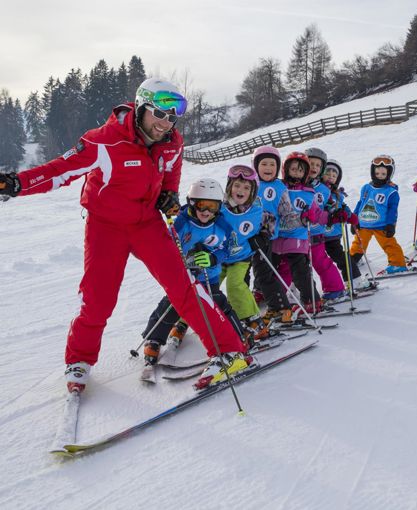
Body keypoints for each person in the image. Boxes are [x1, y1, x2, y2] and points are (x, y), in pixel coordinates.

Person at [0, 78, 249, 393]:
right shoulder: (104, 141)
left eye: (172, 117)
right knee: (98, 297)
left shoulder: (172, 141)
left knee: (183, 286)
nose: (165, 123)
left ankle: (228, 350)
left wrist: (169, 193)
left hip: (147, 223)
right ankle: (79, 360)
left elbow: (172, 167)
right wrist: (18, 183)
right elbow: (59, 171)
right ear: (143, 105)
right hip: (106, 226)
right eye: (160, 114)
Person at [141, 178, 247, 365]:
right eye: (201, 205)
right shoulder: (182, 223)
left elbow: (229, 248)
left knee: (217, 303)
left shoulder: (222, 225)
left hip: (210, 275)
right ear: (191, 203)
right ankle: (153, 338)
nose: (206, 211)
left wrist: (213, 258)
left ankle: (239, 336)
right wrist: (178, 257)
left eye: (212, 207)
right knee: (172, 304)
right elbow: (167, 246)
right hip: (184, 277)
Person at [218, 164, 269, 339]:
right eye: (237, 185)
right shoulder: (220, 206)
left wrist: (262, 237)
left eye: (247, 188)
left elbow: (270, 225)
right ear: (229, 186)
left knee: (235, 285)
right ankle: (186, 321)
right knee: (206, 284)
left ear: (252, 192)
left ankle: (252, 320)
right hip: (218, 257)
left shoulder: (256, 209)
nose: (240, 190)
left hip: (241, 257)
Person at [273, 152, 322, 314]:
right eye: (293, 169)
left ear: (305, 173)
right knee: (274, 271)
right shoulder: (278, 188)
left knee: (300, 272)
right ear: (285, 170)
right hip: (277, 238)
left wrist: (312, 215)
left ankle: (311, 300)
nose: (296, 173)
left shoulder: (308, 193)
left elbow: (316, 214)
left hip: (297, 238)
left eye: (300, 170)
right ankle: (276, 301)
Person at [250, 146, 295, 325]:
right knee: (248, 271)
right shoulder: (251, 182)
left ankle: (280, 307)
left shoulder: (279, 186)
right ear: (255, 166)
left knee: (263, 272)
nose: (268, 167)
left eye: (272, 164)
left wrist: (298, 222)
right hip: (245, 236)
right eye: (263, 164)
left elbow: (286, 211)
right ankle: (256, 295)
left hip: (265, 237)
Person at [350, 155, 408, 275]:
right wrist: (354, 219)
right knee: (358, 243)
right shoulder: (366, 187)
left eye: (383, 174)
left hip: (381, 225)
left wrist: (390, 224)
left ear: (389, 174)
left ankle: (398, 264)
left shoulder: (391, 192)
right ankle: (352, 259)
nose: (380, 176)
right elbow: (361, 203)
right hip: (364, 224)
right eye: (377, 173)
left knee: (389, 244)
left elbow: (393, 210)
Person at [304, 148, 347, 301]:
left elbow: (331, 206)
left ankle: (335, 288)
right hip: (296, 234)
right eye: (311, 164)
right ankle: (293, 294)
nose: (314, 168)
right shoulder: (294, 185)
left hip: (316, 233)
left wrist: (337, 212)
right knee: (297, 267)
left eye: (318, 165)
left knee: (320, 261)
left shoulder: (324, 189)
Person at [321, 159, 370, 291]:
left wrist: (351, 217)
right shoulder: (318, 192)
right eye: (328, 172)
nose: (331, 175)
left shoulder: (337, 195)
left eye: (334, 174)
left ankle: (354, 281)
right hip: (318, 235)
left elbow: (342, 207)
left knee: (343, 259)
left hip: (333, 236)